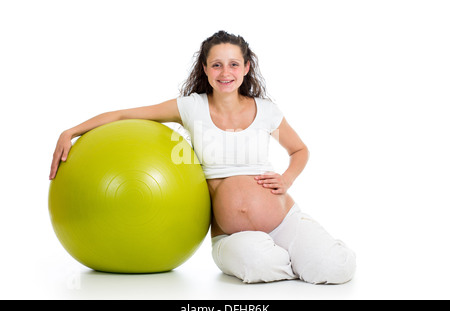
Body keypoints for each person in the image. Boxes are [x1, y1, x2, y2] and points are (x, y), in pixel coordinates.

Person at [49, 31, 356, 284]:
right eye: (217, 65)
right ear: (206, 69)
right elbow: (124, 114)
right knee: (260, 265)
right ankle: (290, 259)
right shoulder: (191, 108)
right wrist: (71, 131)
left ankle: (304, 252)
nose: (226, 73)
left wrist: (287, 178)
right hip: (231, 235)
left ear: (247, 67)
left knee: (336, 268)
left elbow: (300, 150)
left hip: (283, 218)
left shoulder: (266, 111)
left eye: (234, 64)